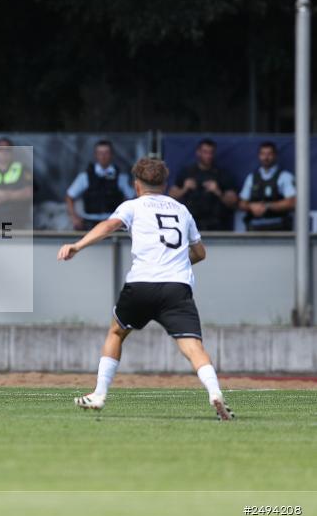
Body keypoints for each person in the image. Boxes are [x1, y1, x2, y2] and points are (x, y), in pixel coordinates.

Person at [57, 157, 234, 421]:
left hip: (141, 284)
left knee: (116, 332)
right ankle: (215, 392)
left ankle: (99, 393)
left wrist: (78, 245)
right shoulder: (181, 209)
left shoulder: (133, 206)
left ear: (136, 185)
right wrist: (176, 260)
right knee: (192, 346)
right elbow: (199, 252)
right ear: (164, 184)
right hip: (177, 286)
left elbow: (108, 226)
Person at [168, 139, 238, 231]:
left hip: (216, 224)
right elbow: (171, 196)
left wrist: (218, 191)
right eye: (205, 152)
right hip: (191, 223)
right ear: (198, 152)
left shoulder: (222, 174)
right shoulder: (187, 172)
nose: (208, 156)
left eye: (211, 152)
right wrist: (184, 189)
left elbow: (233, 202)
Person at [65, 140, 135, 230]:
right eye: (100, 153)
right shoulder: (85, 176)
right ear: (95, 155)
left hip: (112, 222)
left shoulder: (121, 177)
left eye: (106, 153)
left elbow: (131, 197)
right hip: (89, 222)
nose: (103, 156)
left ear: (112, 155)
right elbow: (69, 196)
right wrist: (74, 218)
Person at [238, 141, 296, 231]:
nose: (266, 157)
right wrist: (251, 206)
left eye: (269, 154)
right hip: (255, 227)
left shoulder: (284, 176)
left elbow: (292, 202)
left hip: (279, 227)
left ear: (275, 155)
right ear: (259, 156)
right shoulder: (252, 177)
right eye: (263, 154)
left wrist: (267, 206)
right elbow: (242, 203)